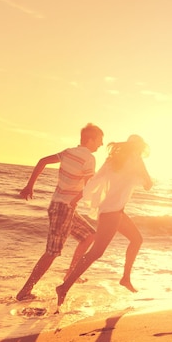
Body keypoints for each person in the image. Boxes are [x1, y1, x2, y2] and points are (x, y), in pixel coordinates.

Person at [56, 134, 153, 307]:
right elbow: (148, 183)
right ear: (137, 147)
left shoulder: (112, 160)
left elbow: (94, 181)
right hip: (113, 213)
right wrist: (143, 177)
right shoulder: (136, 160)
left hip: (112, 211)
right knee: (96, 253)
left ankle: (125, 278)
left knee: (137, 239)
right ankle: (64, 287)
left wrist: (78, 198)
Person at [16, 123, 104, 301]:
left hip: (61, 206)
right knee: (52, 252)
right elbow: (88, 187)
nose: (101, 145)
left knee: (89, 236)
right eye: (100, 140)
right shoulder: (88, 158)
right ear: (91, 139)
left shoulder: (68, 152)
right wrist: (80, 199)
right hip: (63, 207)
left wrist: (29, 186)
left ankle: (70, 275)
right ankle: (24, 292)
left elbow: (42, 161)